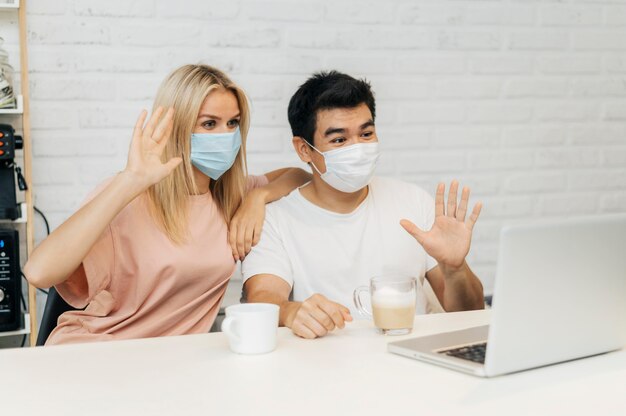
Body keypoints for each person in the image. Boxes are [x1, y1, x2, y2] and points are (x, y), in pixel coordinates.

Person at [24, 64, 310, 345]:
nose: (225, 135)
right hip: (100, 350)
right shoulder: (130, 195)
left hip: (171, 360)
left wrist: (258, 198)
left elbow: (300, 176)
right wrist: (130, 180)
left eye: (233, 123)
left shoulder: (232, 195)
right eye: (209, 123)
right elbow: (39, 272)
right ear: (178, 128)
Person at [242, 71, 484, 340]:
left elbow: (470, 311)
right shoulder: (276, 219)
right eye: (339, 140)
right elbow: (262, 300)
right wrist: (290, 311)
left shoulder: (413, 202)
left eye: (366, 133)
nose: (357, 148)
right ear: (304, 149)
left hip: (413, 361)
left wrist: (454, 268)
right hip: (325, 368)